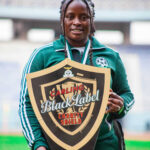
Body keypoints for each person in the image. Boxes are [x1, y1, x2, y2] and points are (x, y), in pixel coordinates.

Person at [19, 0, 134, 150]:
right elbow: (26, 104)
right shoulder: (42, 56)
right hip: (57, 145)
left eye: (84, 17)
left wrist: (121, 105)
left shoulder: (111, 56)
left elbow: (127, 95)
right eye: (70, 16)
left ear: (92, 20)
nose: (77, 22)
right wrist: (38, 144)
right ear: (62, 19)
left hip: (105, 145)